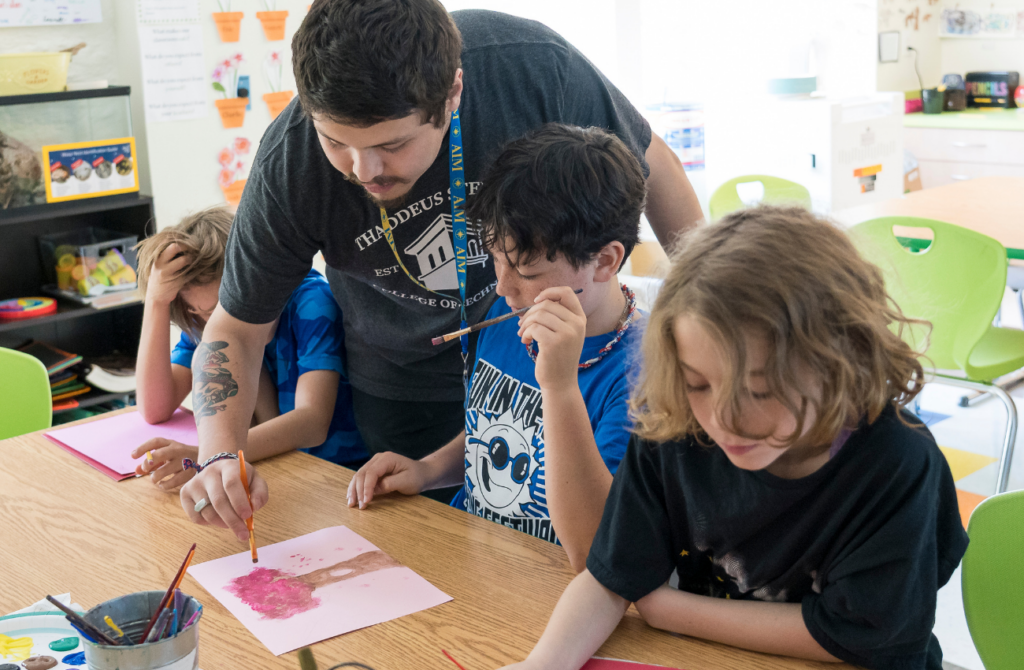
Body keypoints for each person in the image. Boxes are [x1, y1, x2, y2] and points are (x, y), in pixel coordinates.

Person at [181, 0, 703, 541]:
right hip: (401, 382)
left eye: (393, 144)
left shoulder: (527, 66)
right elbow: (236, 330)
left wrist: (702, 321)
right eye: (336, 142)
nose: (364, 171)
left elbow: (651, 163)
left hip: (547, 351)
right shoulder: (289, 164)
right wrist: (220, 452)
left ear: (452, 92)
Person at [500, 207, 969, 670]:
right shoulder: (674, 420)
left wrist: (669, 609)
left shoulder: (897, 461)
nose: (723, 420)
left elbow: (860, 637)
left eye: (759, 390)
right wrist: (541, 663)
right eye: (697, 383)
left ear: (839, 362)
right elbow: (608, 578)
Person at [346, 124, 644, 570]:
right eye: (494, 258)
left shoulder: (645, 373)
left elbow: (591, 550)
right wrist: (428, 470)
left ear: (604, 261)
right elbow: (498, 428)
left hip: (555, 589)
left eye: (525, 271)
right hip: (477, 561)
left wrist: (560, 385)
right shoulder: (514, 318)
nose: (503, 287)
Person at [132, 206, 366, 490]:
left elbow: (312, 423)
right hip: (273, 467)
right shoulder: (206, 320)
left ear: (252, 277)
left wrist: (209, 456)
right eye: (197, 312)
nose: (213, 322)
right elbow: (155, 408)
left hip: (336, 477)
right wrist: (156, 302)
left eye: (217, 309)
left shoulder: (312, 303)